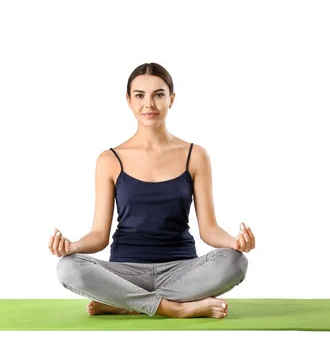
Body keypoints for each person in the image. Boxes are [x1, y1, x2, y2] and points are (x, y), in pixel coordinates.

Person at [48, 62, 255, 319]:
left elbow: (209, 229)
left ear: (172, 99)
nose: (149, 104)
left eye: (159, 94)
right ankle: (174, 308)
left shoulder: (195, 155)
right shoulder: (109, 159)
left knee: (235, 262)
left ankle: (126, 302)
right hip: (125, 270)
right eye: (140, 95)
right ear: (129, 100)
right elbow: (99, 234)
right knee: (68, 268)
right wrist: (72, 246)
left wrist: (236, 243)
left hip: (182, 270)